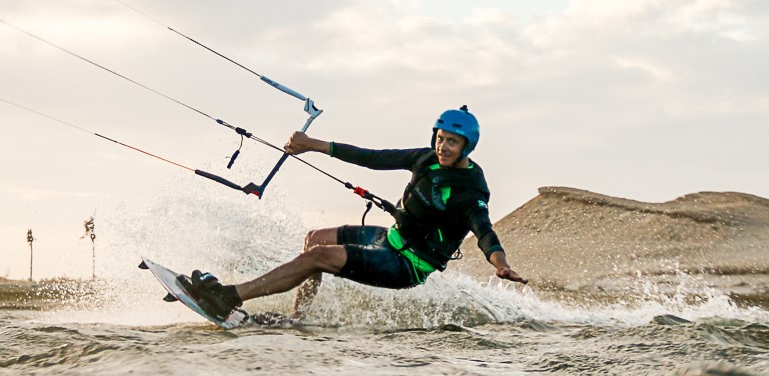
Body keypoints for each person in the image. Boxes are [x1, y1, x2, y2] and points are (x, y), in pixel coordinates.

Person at [181, 105, 528, 320]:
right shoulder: (425, 157)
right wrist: (313, 146)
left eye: (452, 142)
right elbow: (373, 157)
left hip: (408, 264)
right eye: (440, 138)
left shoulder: (471, 187)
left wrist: (500, 265)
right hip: (390, 239)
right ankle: (297, 317)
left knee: (318, 255)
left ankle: (228, 297)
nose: (443, 146)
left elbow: (484, 231)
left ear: (467, 146)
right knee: (314, 239)